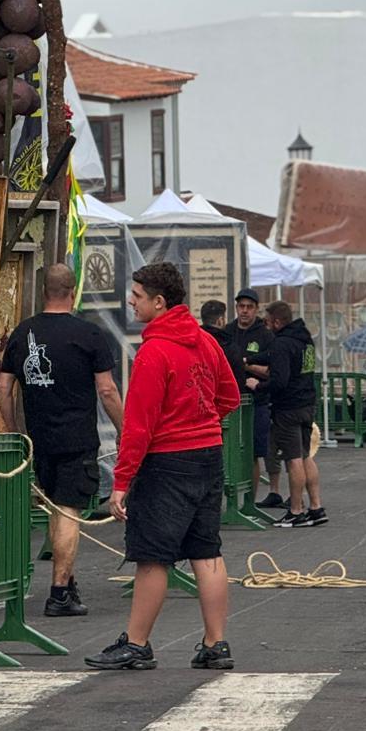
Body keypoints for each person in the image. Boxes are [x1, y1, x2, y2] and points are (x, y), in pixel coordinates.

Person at [85, 262, 239, 671]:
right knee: (207, 551)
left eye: (137, 296)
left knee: (152, 556)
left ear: (159, 302)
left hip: (167, 462)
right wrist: (202, 419)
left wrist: (121, 482)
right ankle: (215, 643)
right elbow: (230, 397)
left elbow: (139, 425)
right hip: (209, 454)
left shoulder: (154, 351)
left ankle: (136, 643)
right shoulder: (205, 341)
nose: (131, 301)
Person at [0, 264, 125, 618]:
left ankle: (67, 581)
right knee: (69, 509)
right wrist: (125, 429)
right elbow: (107, 390)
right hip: (77, 437)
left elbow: (4, 388)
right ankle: (58, 593)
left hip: (39, 437)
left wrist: (14, 431)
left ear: (44, 292)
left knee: (56, 507)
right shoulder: (89, 334)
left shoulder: (22, 332)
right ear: (73, 291)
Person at [255, 300, 325, 528]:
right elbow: (276, 359)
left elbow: (279, 380)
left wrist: (258, 385)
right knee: (306, 457)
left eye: (267, 321)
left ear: (276, 321)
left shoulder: (282, 343)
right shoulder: (305, 341)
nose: (265, 326)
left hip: (288, 409)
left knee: (293, 459)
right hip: (307, 404)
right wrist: (250, 359)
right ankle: (316, 507)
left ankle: (296, 510)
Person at [232, 290, 282, 511]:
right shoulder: (228, 332)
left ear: (256, 309)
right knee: (230, 453)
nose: (244, 311)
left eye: (249, 307)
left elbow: (271, 371)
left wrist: (245, 365)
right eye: (241, 306)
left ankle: (249, 504)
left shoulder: (265, 335)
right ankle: (232, 502)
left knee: (252, 453)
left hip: (257, 403)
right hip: (231, 403)